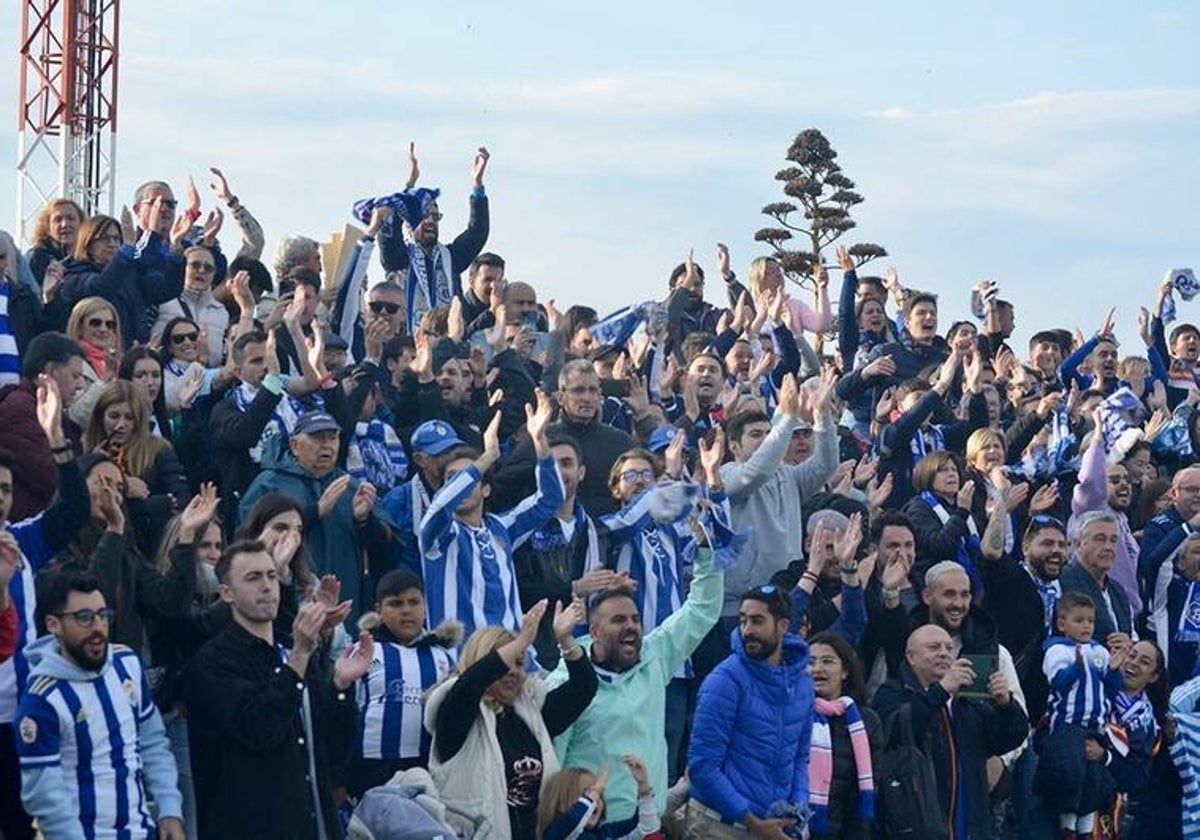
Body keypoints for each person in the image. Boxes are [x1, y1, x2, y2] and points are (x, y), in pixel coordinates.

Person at [185, 539, 372, 840]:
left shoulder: (292, 651)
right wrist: (300, 655)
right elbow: (259, 730)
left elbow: (331, 747)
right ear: (226, 593)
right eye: (253, 578)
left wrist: (341, 685)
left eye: (272, 576)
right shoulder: (213, 663)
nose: (267, 586)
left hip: (313, 823)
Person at [548, 540, 726, 823]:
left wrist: (705, 549)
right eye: (618, 620)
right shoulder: (566, 684)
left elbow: (701, 610)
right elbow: (551, 762)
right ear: (594, 631)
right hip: (591, 827)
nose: (631, 626)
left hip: (647, 822)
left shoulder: (654, 657)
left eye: (635, 619)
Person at [15, 571, 186, 840]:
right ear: (53, 624)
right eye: (84, 617)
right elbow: (44, 795)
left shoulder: (126, 664)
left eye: (103, 614)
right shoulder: (42, 700)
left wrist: (169, 809)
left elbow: (153, 742)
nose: (97, 626)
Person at [424, 597, 595, 840]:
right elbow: (470, 684)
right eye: (505, 660)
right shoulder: (456, 712)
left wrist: (565, 640)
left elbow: (584, 688)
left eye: (519, 662)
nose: (513, 671)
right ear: (481, 661)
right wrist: (523, 640)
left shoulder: (531, 712)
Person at [0, 377, 89, 840]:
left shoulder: (23, 541)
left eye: (5, 489)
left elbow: (74, 509)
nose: (0, 498)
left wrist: (56, 439)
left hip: (23, 719)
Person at [418, 392, 563, 638]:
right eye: (451, 479)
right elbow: (440, 506)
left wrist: (539, 441)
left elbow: (551, 499)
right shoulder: (437, 535)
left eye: (468, 478)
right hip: (460, 664)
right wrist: (486, 458)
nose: (462, 485)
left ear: (486, 489)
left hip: (512, 661)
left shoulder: (501, 526)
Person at [873, 624, 1029, 840]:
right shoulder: (892, 692)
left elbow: (1008, 739)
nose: (944, 654)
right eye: (934, 647)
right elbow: (897, 730)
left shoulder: (967, 700)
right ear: (911, 657)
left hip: (972, 825)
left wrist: (1006, 705)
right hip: (917, 824)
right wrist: (941, 691)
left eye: (948, 648)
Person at [719, 370, 838, 649]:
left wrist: (822, 416)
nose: (766, 440)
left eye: (768, 434)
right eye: (756, 435)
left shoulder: (788, 475)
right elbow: (755, 473)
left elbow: (826, 464)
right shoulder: (727, 475)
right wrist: (785, 420)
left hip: (786, 599)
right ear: (734, 446)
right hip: (738, 609)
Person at [687, 584, 814, 839]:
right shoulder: (724, 681)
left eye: (757, 621)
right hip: (719, 828)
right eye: (743, 621)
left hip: (775, 829)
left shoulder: (802, 684)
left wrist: (798, 808)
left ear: (783, 626)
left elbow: (799, 758)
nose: (747, 631)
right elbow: (703, 766)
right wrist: (753, 821)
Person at [238, 409, 393, 616]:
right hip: (286, 604)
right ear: (294, 445)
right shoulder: (269, 484)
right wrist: (314, 512)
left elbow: (386, 548)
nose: (327, 445)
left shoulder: (351, 487)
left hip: (345, 604)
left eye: (333, 437)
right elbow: (247, 540)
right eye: (318, 438)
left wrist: (364, 520)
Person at [350, 568, 458, 796]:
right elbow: (345, 713)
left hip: (427, 763)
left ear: (425, 606)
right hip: (373, 765)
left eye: (414, 602)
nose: (406, 611)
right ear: (378, 610)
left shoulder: (442, 656)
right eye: (396, 604)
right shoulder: (364, 651)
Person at [491, 359, 642, 517]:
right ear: (561, 397)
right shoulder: (542, 438)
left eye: (593, 390)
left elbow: (647, 486)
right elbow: (502, 490)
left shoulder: (620, 442)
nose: (587, 397)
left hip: (609, 537)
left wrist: (643, 418)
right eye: (578, 390)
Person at [1036, 592, 1127, 839]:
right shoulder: (1056, 650)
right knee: (1071, 773)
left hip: (1095, 725)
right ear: (1062, 623)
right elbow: (1058, 684)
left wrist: (1114, 670)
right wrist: (1076, 666)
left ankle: (1086, 831)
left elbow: (1111, 688)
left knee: (1093, 778)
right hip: (1067, 724)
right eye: (1079, 620)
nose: (1086, 626)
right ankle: (1067, 825)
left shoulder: (1099, 651)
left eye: (1090, 620)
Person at [375, 147, 492, 333]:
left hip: (446, 347)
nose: (430, 221)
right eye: (423, 215)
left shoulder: (450, 257)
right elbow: (388, 232)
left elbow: (477, 232)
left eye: (435, 216)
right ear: (408, 222)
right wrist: (410, 185)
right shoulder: (397, 257)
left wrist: (477, 185)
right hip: (405, 346)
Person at [806, 631, 881, 840]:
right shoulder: (791, 713)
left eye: (827, 661)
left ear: (845, 671)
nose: (817, 669)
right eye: (810, 662)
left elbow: (865, 789)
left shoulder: (865, 720)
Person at [537, 757, 661, 840]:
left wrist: (644, 788)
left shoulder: (605, 834)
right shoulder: (556, 833)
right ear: (561, 801)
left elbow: (645, 829)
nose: (595, 800)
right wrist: (596, 790)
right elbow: (572, 821)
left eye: (600, 796)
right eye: (587, 793)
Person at [1060, 511, 1135, 640]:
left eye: (1113, 540)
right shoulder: (1063, 581)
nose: (1108, 547)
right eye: (1100, 539)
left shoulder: (1117, 590)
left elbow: (1130, 633)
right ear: (1078, 544)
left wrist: (1128, 645)